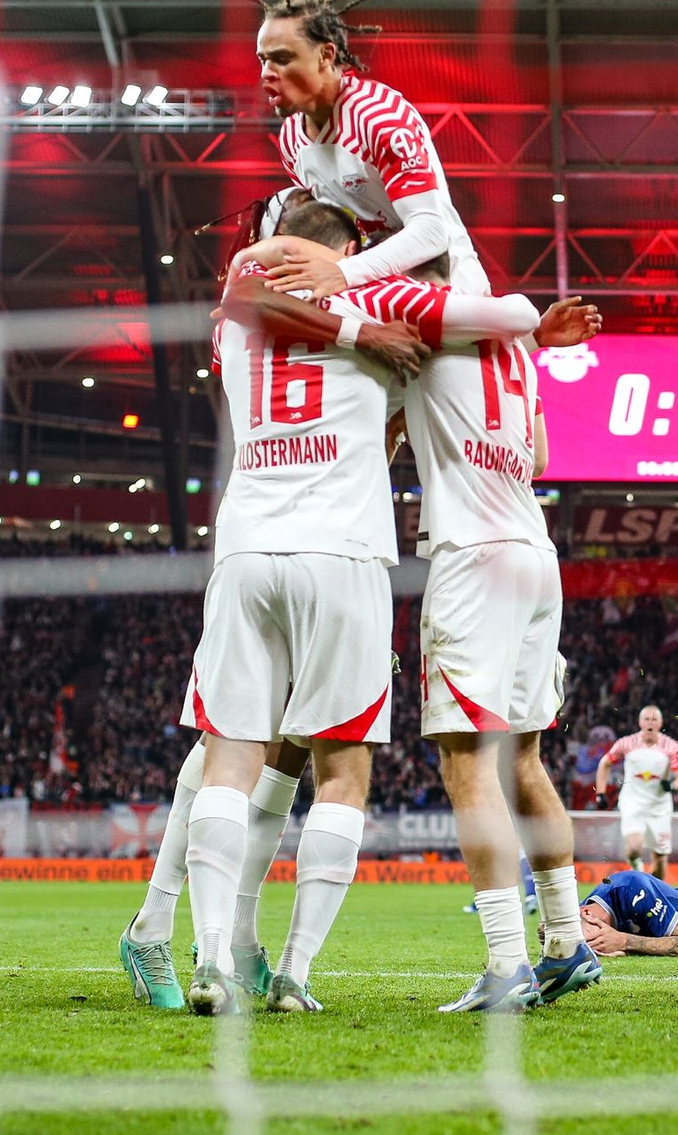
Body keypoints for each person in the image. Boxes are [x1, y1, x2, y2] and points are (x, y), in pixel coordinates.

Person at [222, 202, 602, 1012]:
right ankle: (568, 943)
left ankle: (507, 963)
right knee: (526, 761)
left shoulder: (410, 305)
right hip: (537, 551)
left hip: (473, 557)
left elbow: (339, 321)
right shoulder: (513, 357)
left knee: (468, 767)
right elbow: (539, 452)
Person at [180, 201, 429, 1016]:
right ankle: (292, 972)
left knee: (229, 758)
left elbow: (245, 298)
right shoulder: (376, 316)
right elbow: (403, 416)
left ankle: (213, 957)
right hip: (344, 557)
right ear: (350, 251)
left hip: (248, 549)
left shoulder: (235, 330)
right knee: (343, 770)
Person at [118, 188, 315, 1012]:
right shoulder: (253, 306)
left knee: (296, 745)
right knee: (234, 740)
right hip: (262, 539)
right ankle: (159, 927)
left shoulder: (343, 300)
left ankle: (230, 930)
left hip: (333, 549)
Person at [245, 0, 488, 299]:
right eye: (263, 60)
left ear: (326, 55)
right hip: (371, 291)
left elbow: (432, 231)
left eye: (282, 59)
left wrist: (343, 272)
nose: (266, 74)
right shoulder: (291, 138)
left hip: (448, 286)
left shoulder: (379, 117)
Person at [593, 706, 678, 880]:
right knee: (634, 847)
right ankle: (636, 867)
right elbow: (605, 763)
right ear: (640, 722)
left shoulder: (671, 746)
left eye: (654, 719)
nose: (650, 723)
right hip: (632, 804)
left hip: (659, 808)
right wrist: (601, 792)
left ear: (660, 723)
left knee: (660, 858)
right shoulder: (626, 743)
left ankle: (656, 895)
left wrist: (673, 786)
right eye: (647, 719)